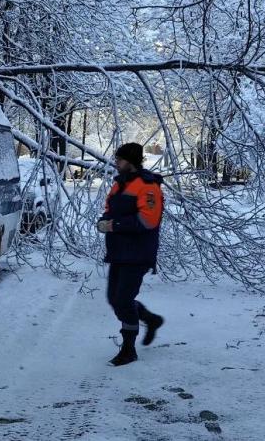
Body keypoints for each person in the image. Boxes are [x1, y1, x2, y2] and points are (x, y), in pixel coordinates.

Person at [97, 143, 165, 366]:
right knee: (114, 300)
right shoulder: (119, 184)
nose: (116, 162)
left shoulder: (148, 186)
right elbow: (110, 208)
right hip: (118, 251)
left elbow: (148, 220)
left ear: (131, 161)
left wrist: (114, 225)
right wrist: (104, 220)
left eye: (120, 159)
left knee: (123, 300)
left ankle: (128, 350)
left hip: (138, 253)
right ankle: (150, 319)